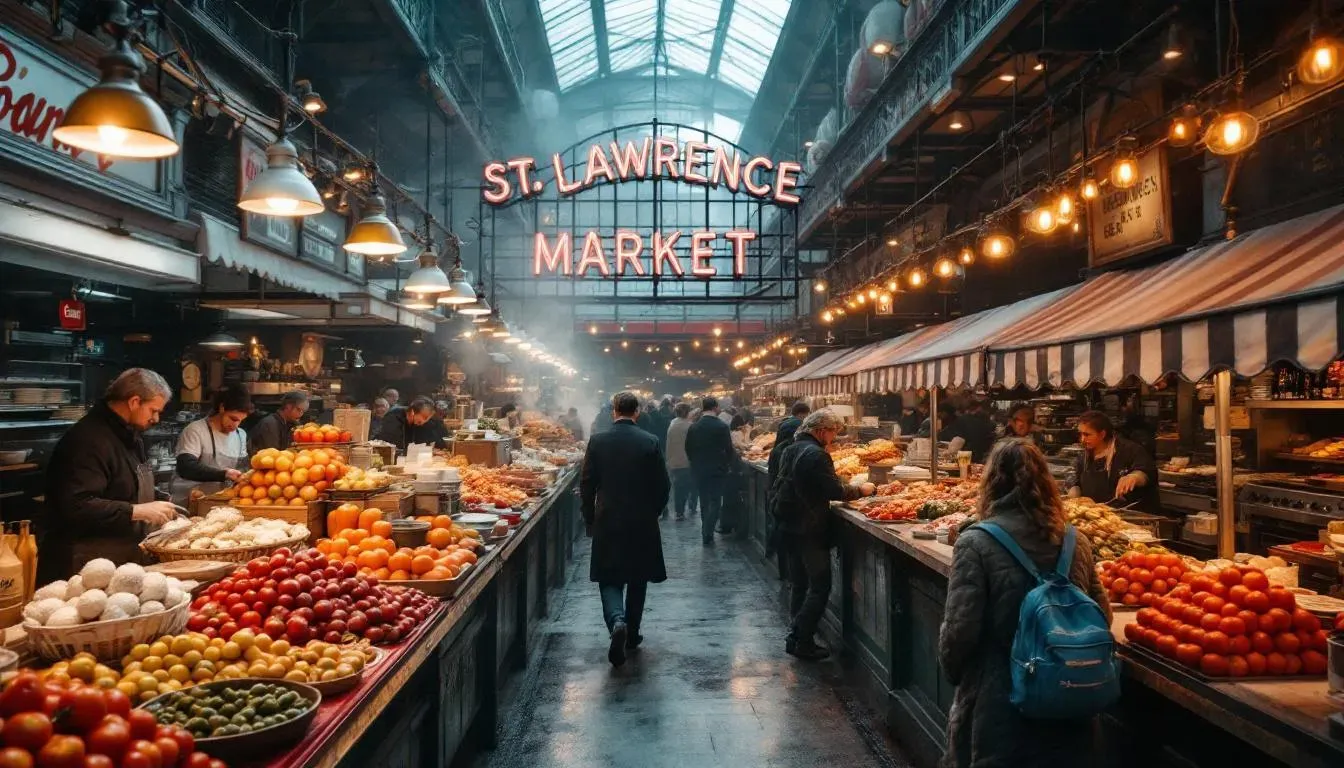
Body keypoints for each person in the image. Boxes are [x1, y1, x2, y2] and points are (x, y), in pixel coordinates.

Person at [939, 440, 1110, 767]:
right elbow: (1101, 614)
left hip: (1000, 703)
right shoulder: (1076, 540)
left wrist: (955, 673)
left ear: (992, 483)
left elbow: (960, 629)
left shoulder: (974, 541)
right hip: (1068, 697)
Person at [43, 368, 179, 581]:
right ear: (134, 402)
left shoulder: (130, 434)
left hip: (120, 556)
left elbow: (126, 483)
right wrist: (136, 511)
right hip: (82, 563)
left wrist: (161, 499)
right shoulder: (88, 440)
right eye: (153, 410)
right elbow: (76, 505)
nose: (156, 418)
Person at [770, 410, 875, 660]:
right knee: (820, 587)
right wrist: (861, 490)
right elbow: (833, 490)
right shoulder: (816, 454)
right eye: (833, 433)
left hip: (789, 524)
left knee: (800, 583)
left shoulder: (791, 448)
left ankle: (798, 632)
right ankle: (800, 638)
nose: (834, 438)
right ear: (821, 430)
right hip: (809, 528)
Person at [580, 391, 671, 667]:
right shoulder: (650, 441)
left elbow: (587, 484)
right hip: (642, 519)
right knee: (638, 577)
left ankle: (617, 621)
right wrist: (654, 511)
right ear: (637, 412)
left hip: (608, 518)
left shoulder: (598, 441)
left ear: (614, 411)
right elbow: (663, 484)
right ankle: (631, 634)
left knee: (609, 576)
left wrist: (589, 518)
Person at [171, 384, 251, 505]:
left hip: (219, 503)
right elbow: (186, 467)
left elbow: (243, 468)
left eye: (241, 421)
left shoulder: (240, 435)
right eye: (233, 419)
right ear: (222, 408)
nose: (236, 426)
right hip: (190, 502)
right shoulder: (196, 430)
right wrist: (224, 474)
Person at [1068, 410, 1159, 512]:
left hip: (1128, 514)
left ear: (1102, 434)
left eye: (1087, 435)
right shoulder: (1084, 456)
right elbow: (1076, 479)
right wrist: (1074, 490)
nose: (1082, 439)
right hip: (1095, 513)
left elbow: (1146, 471)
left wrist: (1135, 476)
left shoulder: (1129, 450)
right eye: (1080, 434)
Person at [685, 396, 736, 546]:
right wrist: (727, 464)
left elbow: (688, 449)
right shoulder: (722, 426)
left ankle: (705, 531)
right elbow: (729, 449)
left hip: (699, 469)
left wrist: (695, 463)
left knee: (704, 501)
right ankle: (708, 531)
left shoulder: (694, 427)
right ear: (715, 407)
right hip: (717, 470)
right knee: (715, 501)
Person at [247, 390, 308, 454]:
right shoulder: (270, 424)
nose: (301, 414)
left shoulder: (291, 424)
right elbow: (272, 454)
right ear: (288, 406)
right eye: (299, 410)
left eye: (303, 411)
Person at [664, 402, 694, 521]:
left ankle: (679, 511)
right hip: (686, 460)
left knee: (678, 487)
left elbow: (669, 444)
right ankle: (688, 506)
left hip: (674, 460)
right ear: (687, 412)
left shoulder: (672, 424)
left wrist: (668, 459)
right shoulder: (689, 426)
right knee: (687, 486)